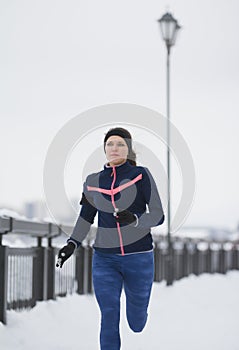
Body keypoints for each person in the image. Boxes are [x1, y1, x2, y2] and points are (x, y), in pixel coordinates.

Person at [57, 127, 164, 350]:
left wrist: (134, 219)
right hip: (105, 258)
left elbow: (158, 215)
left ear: (129, 149)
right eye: (110, 144)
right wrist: (71, 244)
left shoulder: (141, 175)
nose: (114, 148)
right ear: (104, 149)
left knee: (136, 323)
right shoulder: (92, 181)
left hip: (139, 258)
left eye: (121, 144)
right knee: (108, 313)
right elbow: (86, 217)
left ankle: (139, 313)